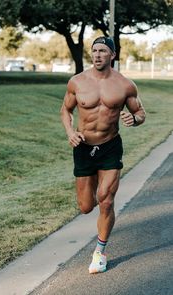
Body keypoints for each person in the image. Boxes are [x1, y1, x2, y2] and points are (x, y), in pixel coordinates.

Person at [60, 36, 146, 274]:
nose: (97, 55)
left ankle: (99, 252)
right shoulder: (77, 82)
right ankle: (97, 191)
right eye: (94, 50)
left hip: (110, 147)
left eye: (103, 51)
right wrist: (70, 132)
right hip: (84, 148)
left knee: (106, 201)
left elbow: (140, 112)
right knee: (86, 206)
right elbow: (66, 110)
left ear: (113, 55)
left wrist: (135, 119)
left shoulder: (125, 85)